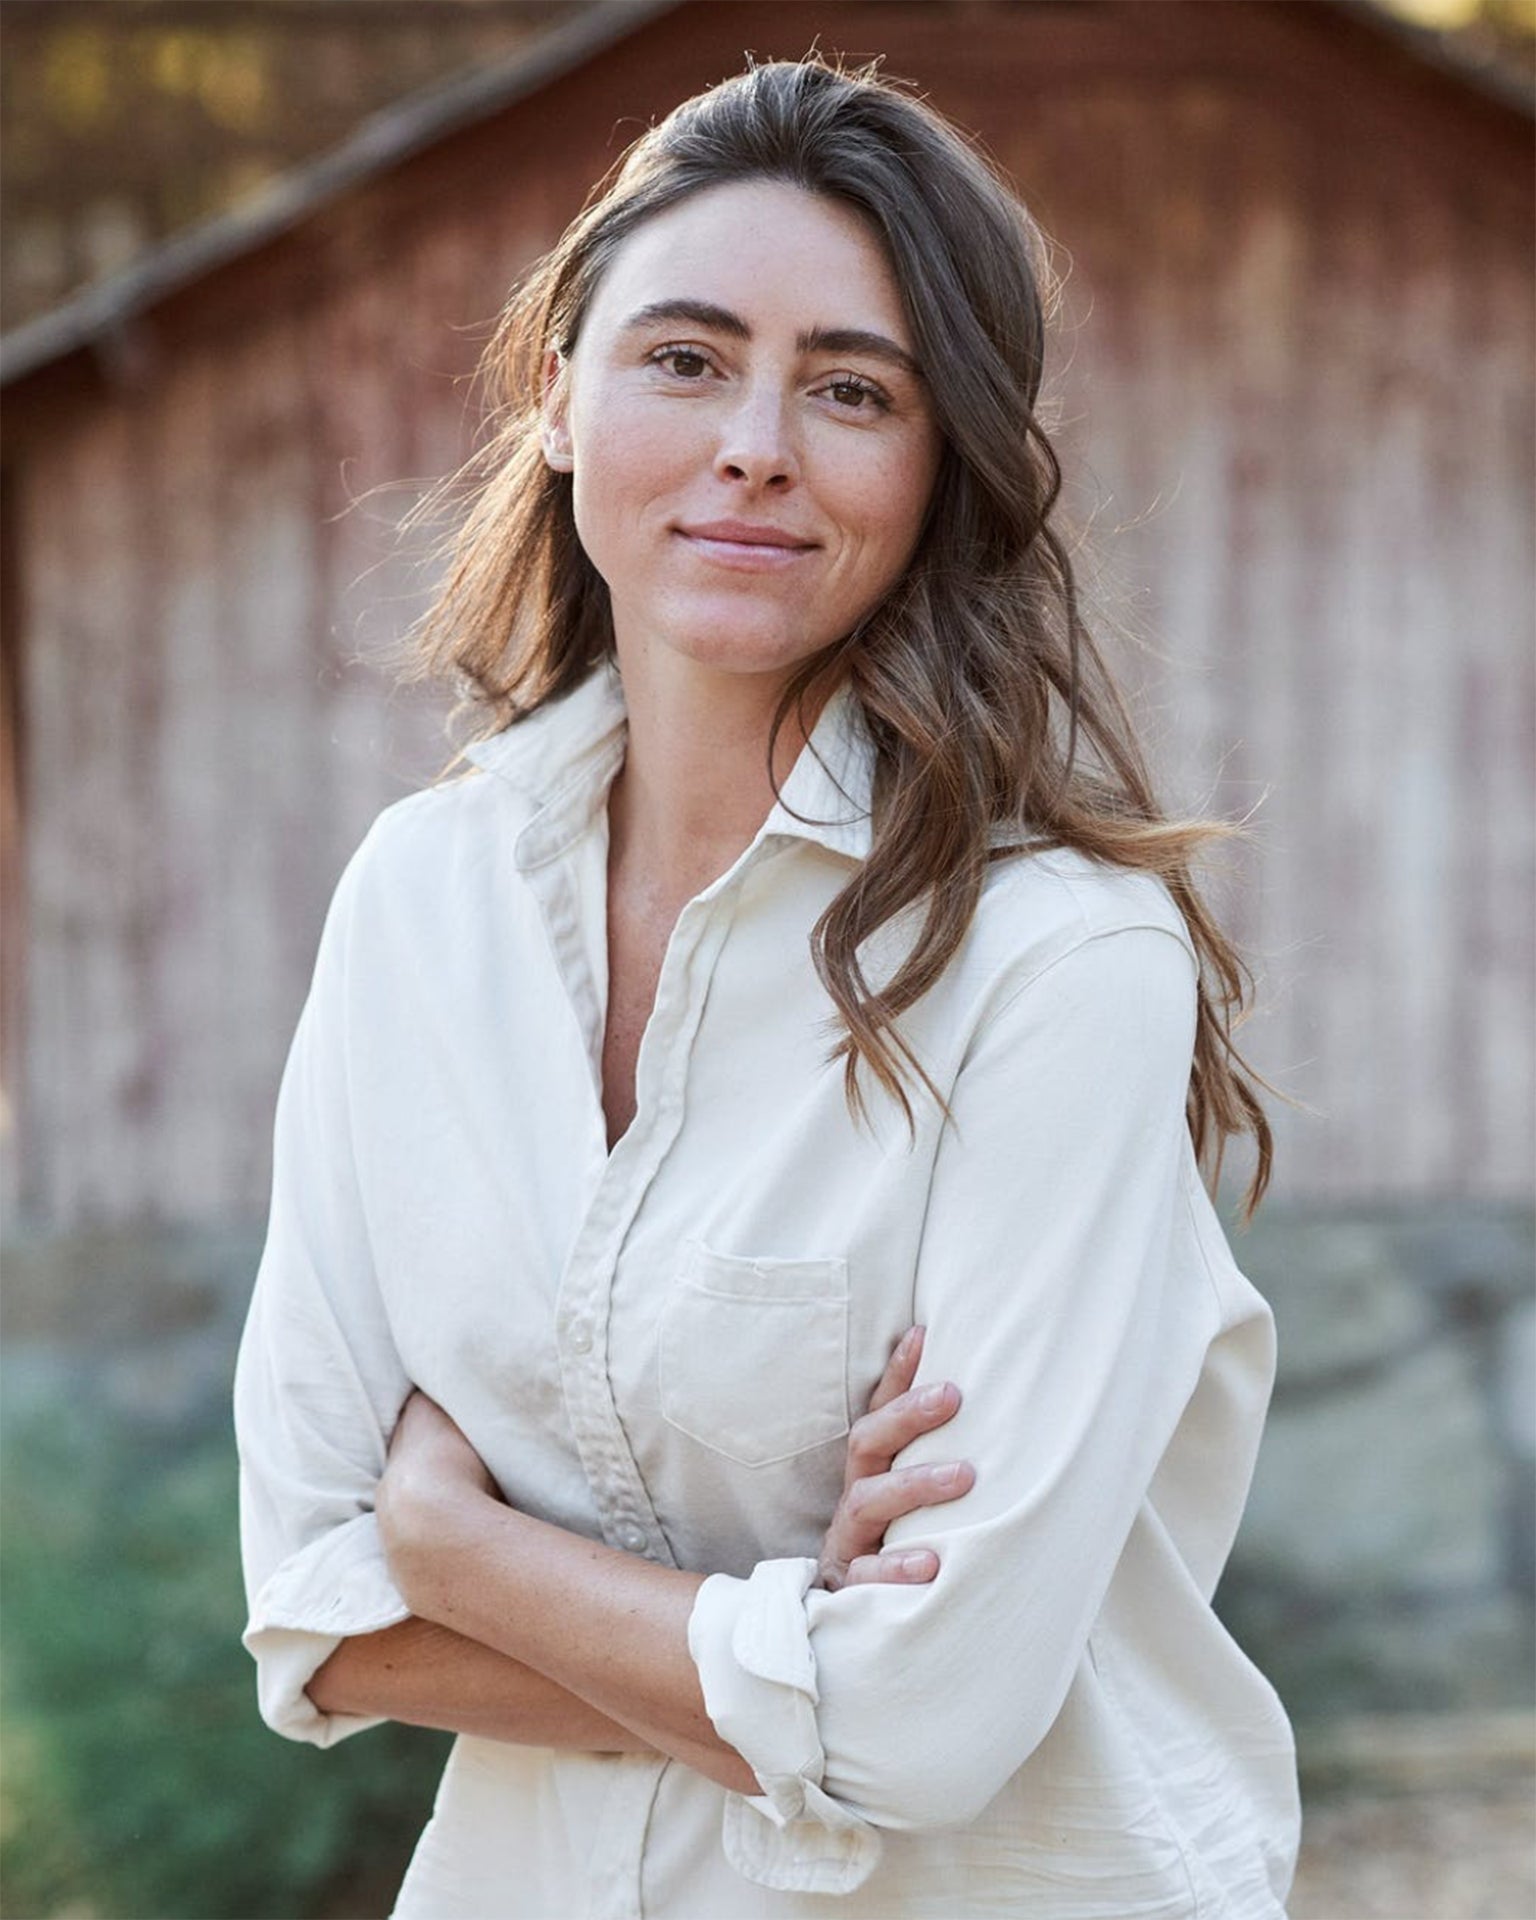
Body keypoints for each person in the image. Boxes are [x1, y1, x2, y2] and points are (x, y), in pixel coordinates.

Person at [234, 53, 1300, 1919]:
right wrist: (800, 1647)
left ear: (938, 465)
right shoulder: (420, 905)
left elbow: (936, 1730)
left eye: (852, 389)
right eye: (685, 357)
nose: (756, 444)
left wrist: (460, 1551)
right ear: (555, 396)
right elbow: (317, 1618)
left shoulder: (1058, 963)